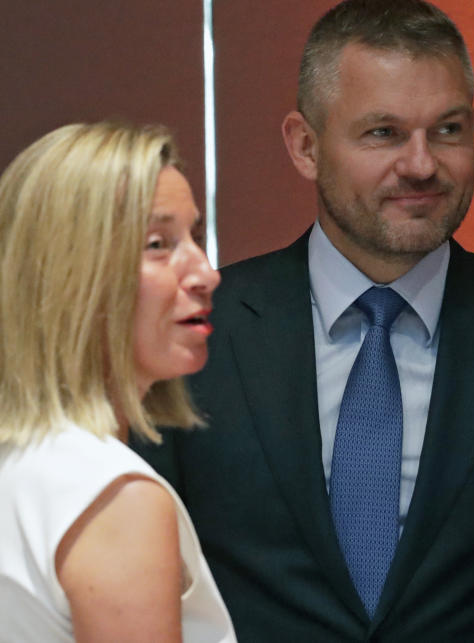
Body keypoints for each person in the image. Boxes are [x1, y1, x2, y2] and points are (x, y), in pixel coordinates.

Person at [134, 1, 474, 641]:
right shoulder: (200, 337)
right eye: (384, 133)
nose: (422, 164)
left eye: (449, 130)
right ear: (305, 146)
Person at [0, 122, 234, 642]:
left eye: (194, 237)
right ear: (72, 273)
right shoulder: (118, 499)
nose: (205, 272)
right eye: (158, 243)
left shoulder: (23, 463)